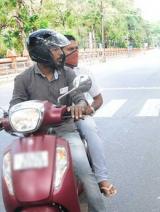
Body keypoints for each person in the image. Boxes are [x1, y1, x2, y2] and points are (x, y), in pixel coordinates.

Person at [10, 29, 106, 212]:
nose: (60, 53)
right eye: (55, 49)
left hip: (65, 132)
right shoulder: (22, 79)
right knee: (18, 176)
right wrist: (9, 117)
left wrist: (79, 105)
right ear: (40, 52)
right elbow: (15, 104)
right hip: (34, 136)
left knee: (85, 173)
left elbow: (79, 97)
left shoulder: (67, 74)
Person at [63, 34, 117, 197]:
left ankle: (102, 178)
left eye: (77, 48)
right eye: (70, 49)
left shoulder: (84, 72)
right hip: (56, 119)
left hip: (79, 117)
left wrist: (89, 110)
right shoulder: (52, 73)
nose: (76, 52)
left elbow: (98, 99)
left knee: (90, 127)